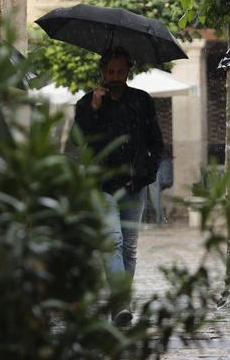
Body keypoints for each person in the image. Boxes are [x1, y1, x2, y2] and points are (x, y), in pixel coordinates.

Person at [73, 47, 163, 326]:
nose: (114, 77)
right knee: (112, 242)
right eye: (110, 72)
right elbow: (79, 142)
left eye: (120, 72)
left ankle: (118, 307)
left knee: (129, 249)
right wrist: (95, 111)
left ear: (128, 72)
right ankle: (120, 303)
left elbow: (155, 143)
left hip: (133, 186)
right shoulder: (87, 104)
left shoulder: (142, 101)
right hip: (101, 185)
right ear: (102, 71)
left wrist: (145, 175)